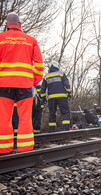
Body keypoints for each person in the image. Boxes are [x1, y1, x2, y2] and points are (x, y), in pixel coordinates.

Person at [0, 13, 44, 155]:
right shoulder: (30, 40)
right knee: (25, 118)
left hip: (4, 85)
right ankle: (25, 149)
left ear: (6, 24)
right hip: (25, 85)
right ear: (20, 24)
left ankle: (4, 148)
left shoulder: (1, 39)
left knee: (3, 117)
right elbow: (39, 65)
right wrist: (34, 82)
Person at [40, 61, 71, 131]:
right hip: (62, 97)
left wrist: (43, 98)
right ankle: (66, 130)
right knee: (65, 112)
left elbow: (42, 90)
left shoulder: (46, 76)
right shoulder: (62, 74)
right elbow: (67, 85)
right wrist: (69, 93)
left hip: (51, 98)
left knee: (52, 113)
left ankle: (52, 130)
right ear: (57, 66)